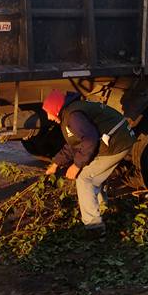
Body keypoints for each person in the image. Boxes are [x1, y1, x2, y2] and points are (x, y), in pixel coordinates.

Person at [42, 89, 136, 236]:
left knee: (85, 178)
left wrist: (76, 165)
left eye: (48, 112)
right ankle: (104, 208)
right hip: (118, 139)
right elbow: (75, 143)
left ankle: (95, 227)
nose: (48, 117)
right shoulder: (71, 112)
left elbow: (90, 140)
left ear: (56, 108)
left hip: (117, 143)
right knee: (94, 175)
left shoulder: (73, 116)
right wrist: (56, 163)